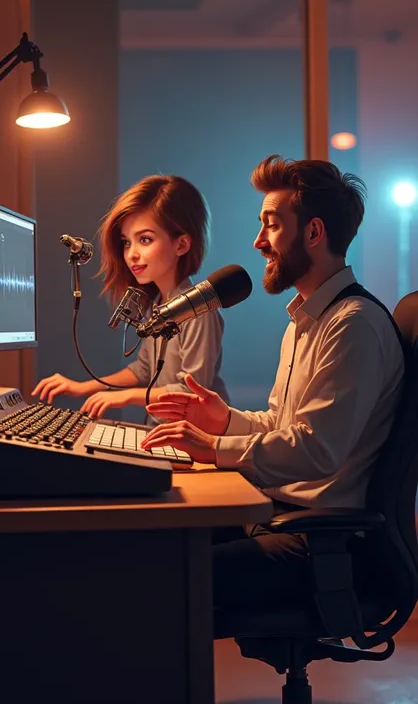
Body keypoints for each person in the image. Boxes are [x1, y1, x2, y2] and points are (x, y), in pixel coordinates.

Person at [142, 155, 404, 611]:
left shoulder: (352, 325)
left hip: (319, 544)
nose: (258, 241)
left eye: (271, 225)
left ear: (314, 233)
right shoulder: (306, 321)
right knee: (151, 545)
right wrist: (225, 422)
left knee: (159, 585)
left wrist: (213, 448)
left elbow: (317, 449)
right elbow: (285, 424)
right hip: (284, 519)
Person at [32, 174, 228, 420]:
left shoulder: (199, 311)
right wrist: (85, 387)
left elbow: (191, 392)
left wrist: (125, 396)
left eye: (145, 239)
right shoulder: (158, 304)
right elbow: (143, 370)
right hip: (162, 433)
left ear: (181, 245)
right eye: (126, 242)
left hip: (194, 441)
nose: (131, 254)